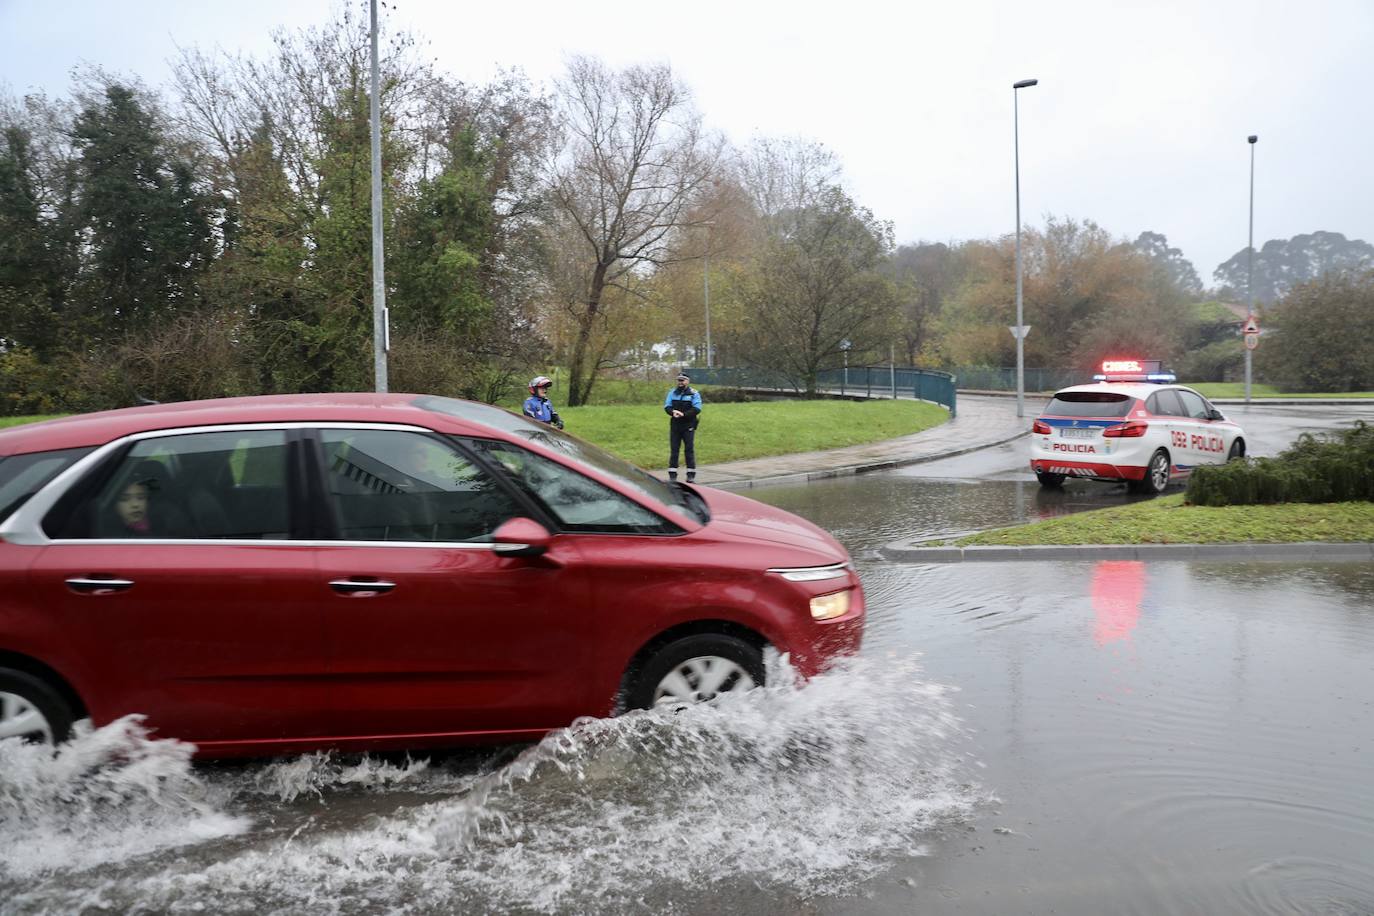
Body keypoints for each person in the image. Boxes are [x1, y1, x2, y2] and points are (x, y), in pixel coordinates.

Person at [663, 372, 702, 482]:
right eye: (679, 380)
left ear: (687, 381)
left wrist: (684, 414)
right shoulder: (672, 392)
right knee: (674, 449)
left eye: (683, 380)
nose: (680, 382)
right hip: (675, 425)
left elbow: (697, 408)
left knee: (689, 449)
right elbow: (667, 406)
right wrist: (672, 412)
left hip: (688, 425)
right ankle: (672, 474)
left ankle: (690, 474)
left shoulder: (694, 393)